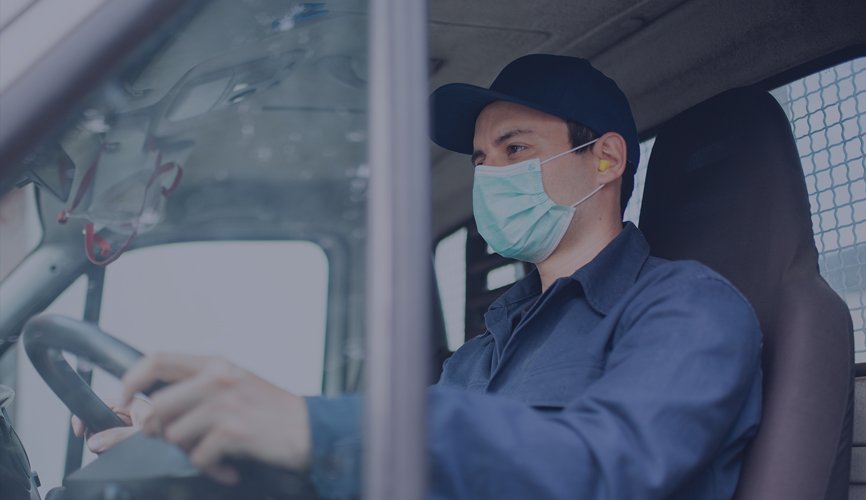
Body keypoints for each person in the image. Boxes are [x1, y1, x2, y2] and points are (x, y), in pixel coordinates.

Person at [75, 54, 763, 499]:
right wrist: (200, 444)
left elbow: (608, 466)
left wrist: (314, 426)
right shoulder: (484, 350)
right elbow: (396, 470)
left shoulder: (692, 312)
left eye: (515, 148)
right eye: (481, 159)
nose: (491, 175)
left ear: (607, 159)